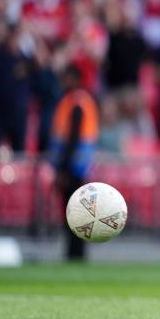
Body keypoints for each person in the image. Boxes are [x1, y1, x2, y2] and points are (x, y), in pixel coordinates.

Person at [50, 65, 99, 260]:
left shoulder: (76, 103)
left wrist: (62, 168)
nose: (64, 82)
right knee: (76, 213)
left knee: (73, 213)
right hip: (79, 166)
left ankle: (75, 254)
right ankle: (75, 253)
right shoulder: (79, 101)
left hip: (74, 168)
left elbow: (72, 138)